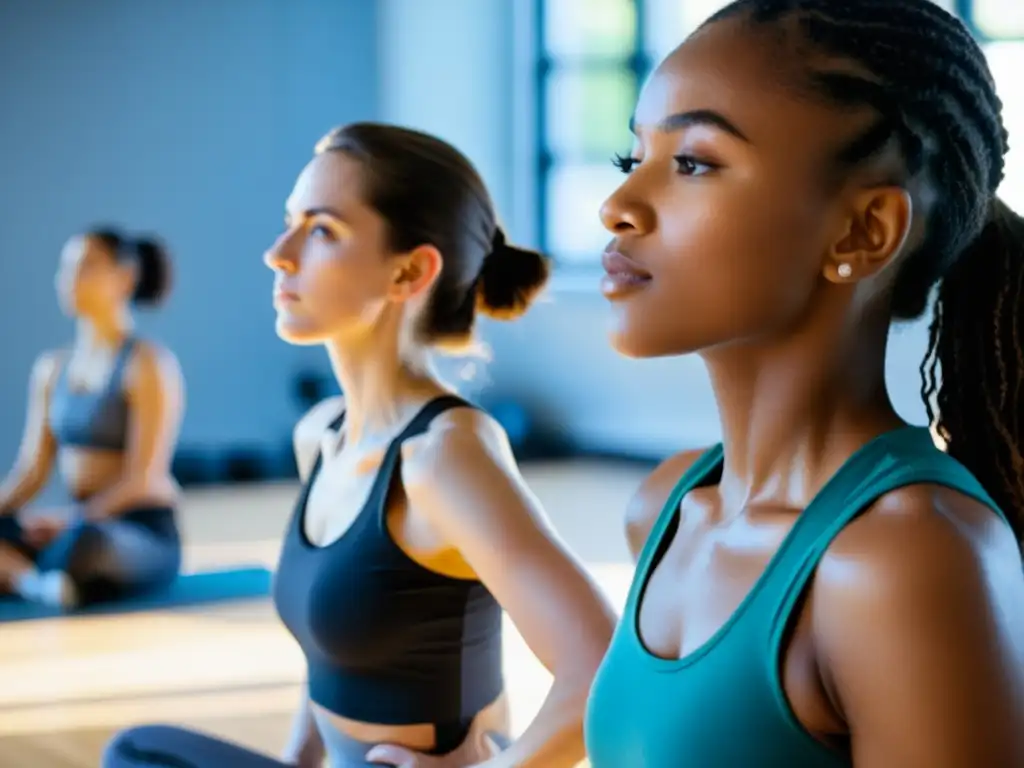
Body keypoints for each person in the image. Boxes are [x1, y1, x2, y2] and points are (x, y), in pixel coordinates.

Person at [583, 1, 1024, 766]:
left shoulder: (906, 557)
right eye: (634, 159)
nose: (616, 206)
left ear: (862, 233)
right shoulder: (663, 509)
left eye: (692, 162)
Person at [102, 123, 617, 768]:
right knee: (140, 751)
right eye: (291, 221)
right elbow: (332, 653)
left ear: (408, 271)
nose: (279, 253)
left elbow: (602, 669)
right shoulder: (321, 435)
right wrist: (297, 759)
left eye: (321, 231)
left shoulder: (444, 454)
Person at [0, 228, 184, 609]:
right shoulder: (52, 369)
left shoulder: (148, 364)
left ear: (126, 276)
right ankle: (38, 584)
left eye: (85, 266)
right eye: (65, 268)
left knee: (87, 543)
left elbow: (144, 479)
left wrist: (68, 521)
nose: (69, 279)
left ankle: (30, 577)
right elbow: (31, 471)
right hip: (73, 522)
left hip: (134, 529)